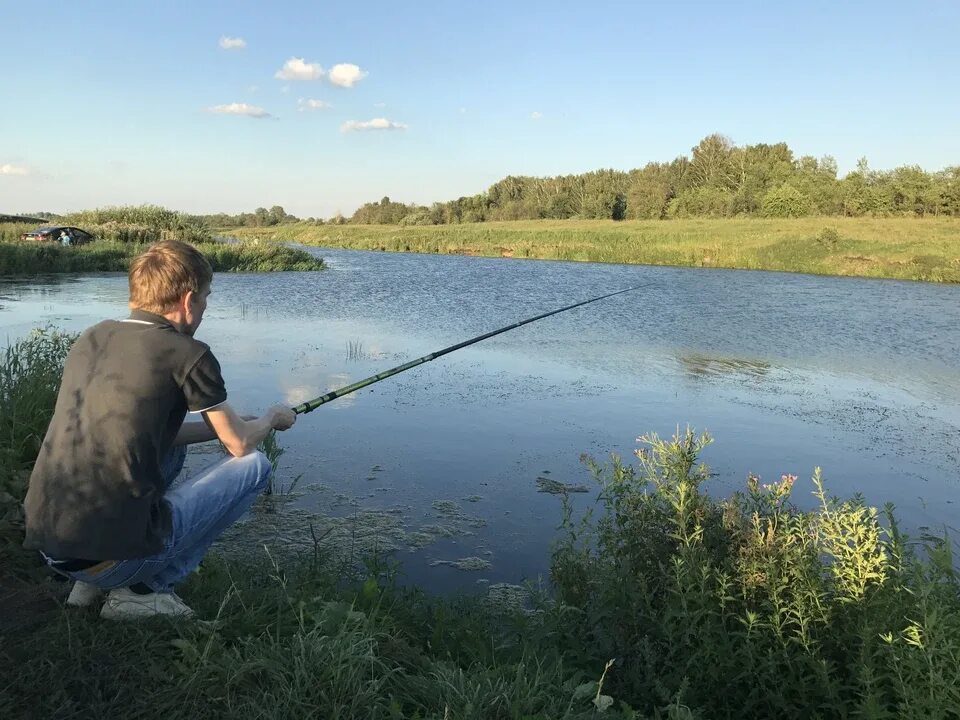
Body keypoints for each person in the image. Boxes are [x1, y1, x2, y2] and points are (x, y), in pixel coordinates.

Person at [23, 239, 296, 620]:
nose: (204, 309)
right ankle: (142, 590)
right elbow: (238, 446)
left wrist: (229, 426)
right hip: (103, 558)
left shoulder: (94, 336)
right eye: (204, 298)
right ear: (187, 300)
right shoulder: (188, 352)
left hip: (52, 546)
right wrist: (270, 419)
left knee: (173, 445)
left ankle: (89, 584)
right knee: (256, 466)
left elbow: (143, 432)